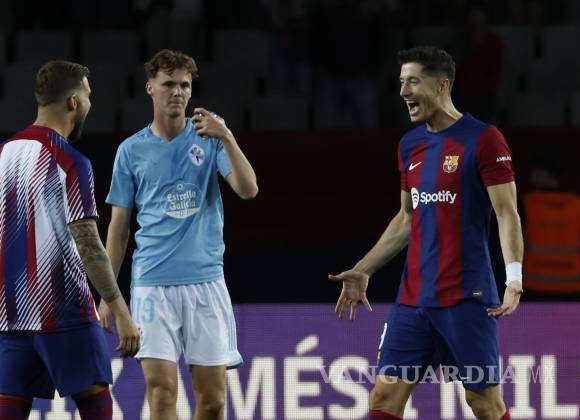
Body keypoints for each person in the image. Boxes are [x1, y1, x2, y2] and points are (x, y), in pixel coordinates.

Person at [329, 46, 523, 420]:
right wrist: (364, 268)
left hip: (467, 297)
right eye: (401, 82)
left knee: (483, 404)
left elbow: (506, 213)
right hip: (413, 300)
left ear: (441, 85)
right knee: (383, 399)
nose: (403, 91)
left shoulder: (484, 139)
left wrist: (513, 277)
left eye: (413, 81)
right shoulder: (409, 145)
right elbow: (406, 218)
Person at [100, 49, 258, 420]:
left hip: (206, 283)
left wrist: (227, 136)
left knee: (213, 402)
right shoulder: (130, 151)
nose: (178, 92)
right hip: (152, 285)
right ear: (150, 88)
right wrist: (108, 294)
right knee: (161, 395)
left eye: (185, 85)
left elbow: (248, 189)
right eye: (169, 83)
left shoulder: (209, 138)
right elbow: (119, 229)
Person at [0, 61, 140, 420]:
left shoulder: (3, 154)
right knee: (96, 406)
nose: (91, 104)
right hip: (63, 311)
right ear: (74, 102)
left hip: (10, 313)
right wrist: (120, 311)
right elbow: (88, 245)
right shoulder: (71, 161)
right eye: (88, 96)